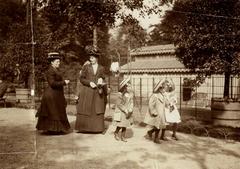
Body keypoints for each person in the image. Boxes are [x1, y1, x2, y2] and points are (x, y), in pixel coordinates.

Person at [36, 52, 70, 134]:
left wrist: (63, 82)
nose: (59, 63)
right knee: (53, 112)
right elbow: (52, 83)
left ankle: (56, 129)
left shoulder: (55, 70)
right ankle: (52, 129)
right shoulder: (50, 71)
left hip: (56, 94)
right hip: (51, 95)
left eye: (59, 61)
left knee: (57, 111)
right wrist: (64, 82)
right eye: (57, 62)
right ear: (52, 62)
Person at [75, 48, 108, 133]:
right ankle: (85, 128)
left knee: (97, 109)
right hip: (87, 91)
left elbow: (103, 78)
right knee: (87, 108)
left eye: (92, 58)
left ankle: (98, 128)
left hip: (97, 91)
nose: (91, 59)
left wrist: (101, 80)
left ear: (97, 58)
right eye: (90, 58)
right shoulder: (86, 67)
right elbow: (81, 79)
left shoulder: (101, 68)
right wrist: (89, 83)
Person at [144, 79, 169, 144]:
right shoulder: (155, 95)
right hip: (157, 113)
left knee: (161, 125)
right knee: (157, 125)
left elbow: (166, 103)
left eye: (165, 89)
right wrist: (153, 111)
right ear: (160, 89)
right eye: (164, 89)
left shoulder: (164, 95)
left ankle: (150, 132)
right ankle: (156, 138)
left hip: (162, 113)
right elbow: (151, 104)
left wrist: (168, 103)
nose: (165, 90)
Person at [113, 78, 134, 142]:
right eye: (128, 86)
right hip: (121, 111)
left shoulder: (129, 94)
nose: (130, 88)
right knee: (120, 124)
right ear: (125, 87)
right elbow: (119, 104)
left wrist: (130, 108)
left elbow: (131, 102)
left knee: (125, 124)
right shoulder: (120, 94)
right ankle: (116, 132)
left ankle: (123, 136)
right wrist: (125, 110)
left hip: (127, 111)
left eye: (130, 86)